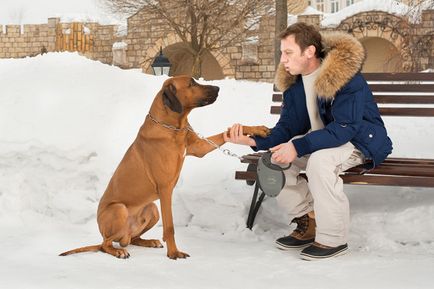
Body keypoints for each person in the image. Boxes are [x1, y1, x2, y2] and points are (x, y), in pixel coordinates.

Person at [224, 22, 392, 260]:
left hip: (358, 141)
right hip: (321, 141)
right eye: (282, 53)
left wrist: (298, 146)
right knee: (273, 161)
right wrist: (253, 141)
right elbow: (289, 127)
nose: (282, 59)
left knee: (320, 163)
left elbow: (344, 128)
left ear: (309, 51)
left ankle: (333, 239)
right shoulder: (295, 83)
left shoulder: (344, 77)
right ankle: (309, 220)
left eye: (288, 52)